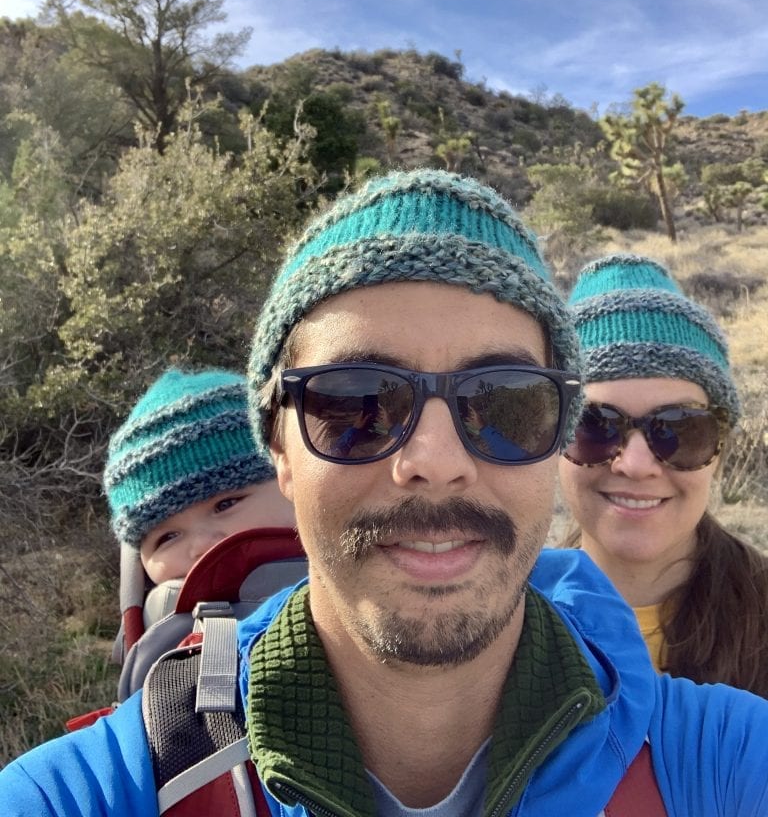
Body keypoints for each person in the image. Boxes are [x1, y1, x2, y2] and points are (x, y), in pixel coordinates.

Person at [2, 171, 768, 816]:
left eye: (502, 404)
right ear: (278, 449)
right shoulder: (88, 792)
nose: (436, 461)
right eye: (354, 404)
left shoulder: (721, 764)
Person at [558, 252, 768, 694]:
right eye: (595, 426)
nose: (636, 465)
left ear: (720, 446)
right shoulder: (501, 621)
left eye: (680, 430)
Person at [105, 367, 296, 585]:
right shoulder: (166, 619)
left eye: (226, 505)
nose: (203, 546)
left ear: (290, 476)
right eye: (167, 538)